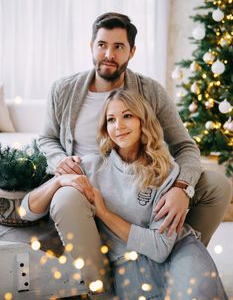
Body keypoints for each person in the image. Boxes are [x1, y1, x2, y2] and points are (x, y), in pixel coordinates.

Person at [21, 90, 228, 299]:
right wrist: (59, 181)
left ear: (142, 121)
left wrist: (103, 212)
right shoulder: (91, 167)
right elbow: (26, 211)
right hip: (127, 265)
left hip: (179, 252)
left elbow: (159, 247)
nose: (118, 126)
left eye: (127, 116)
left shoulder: (166, 171)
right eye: (111, 119)